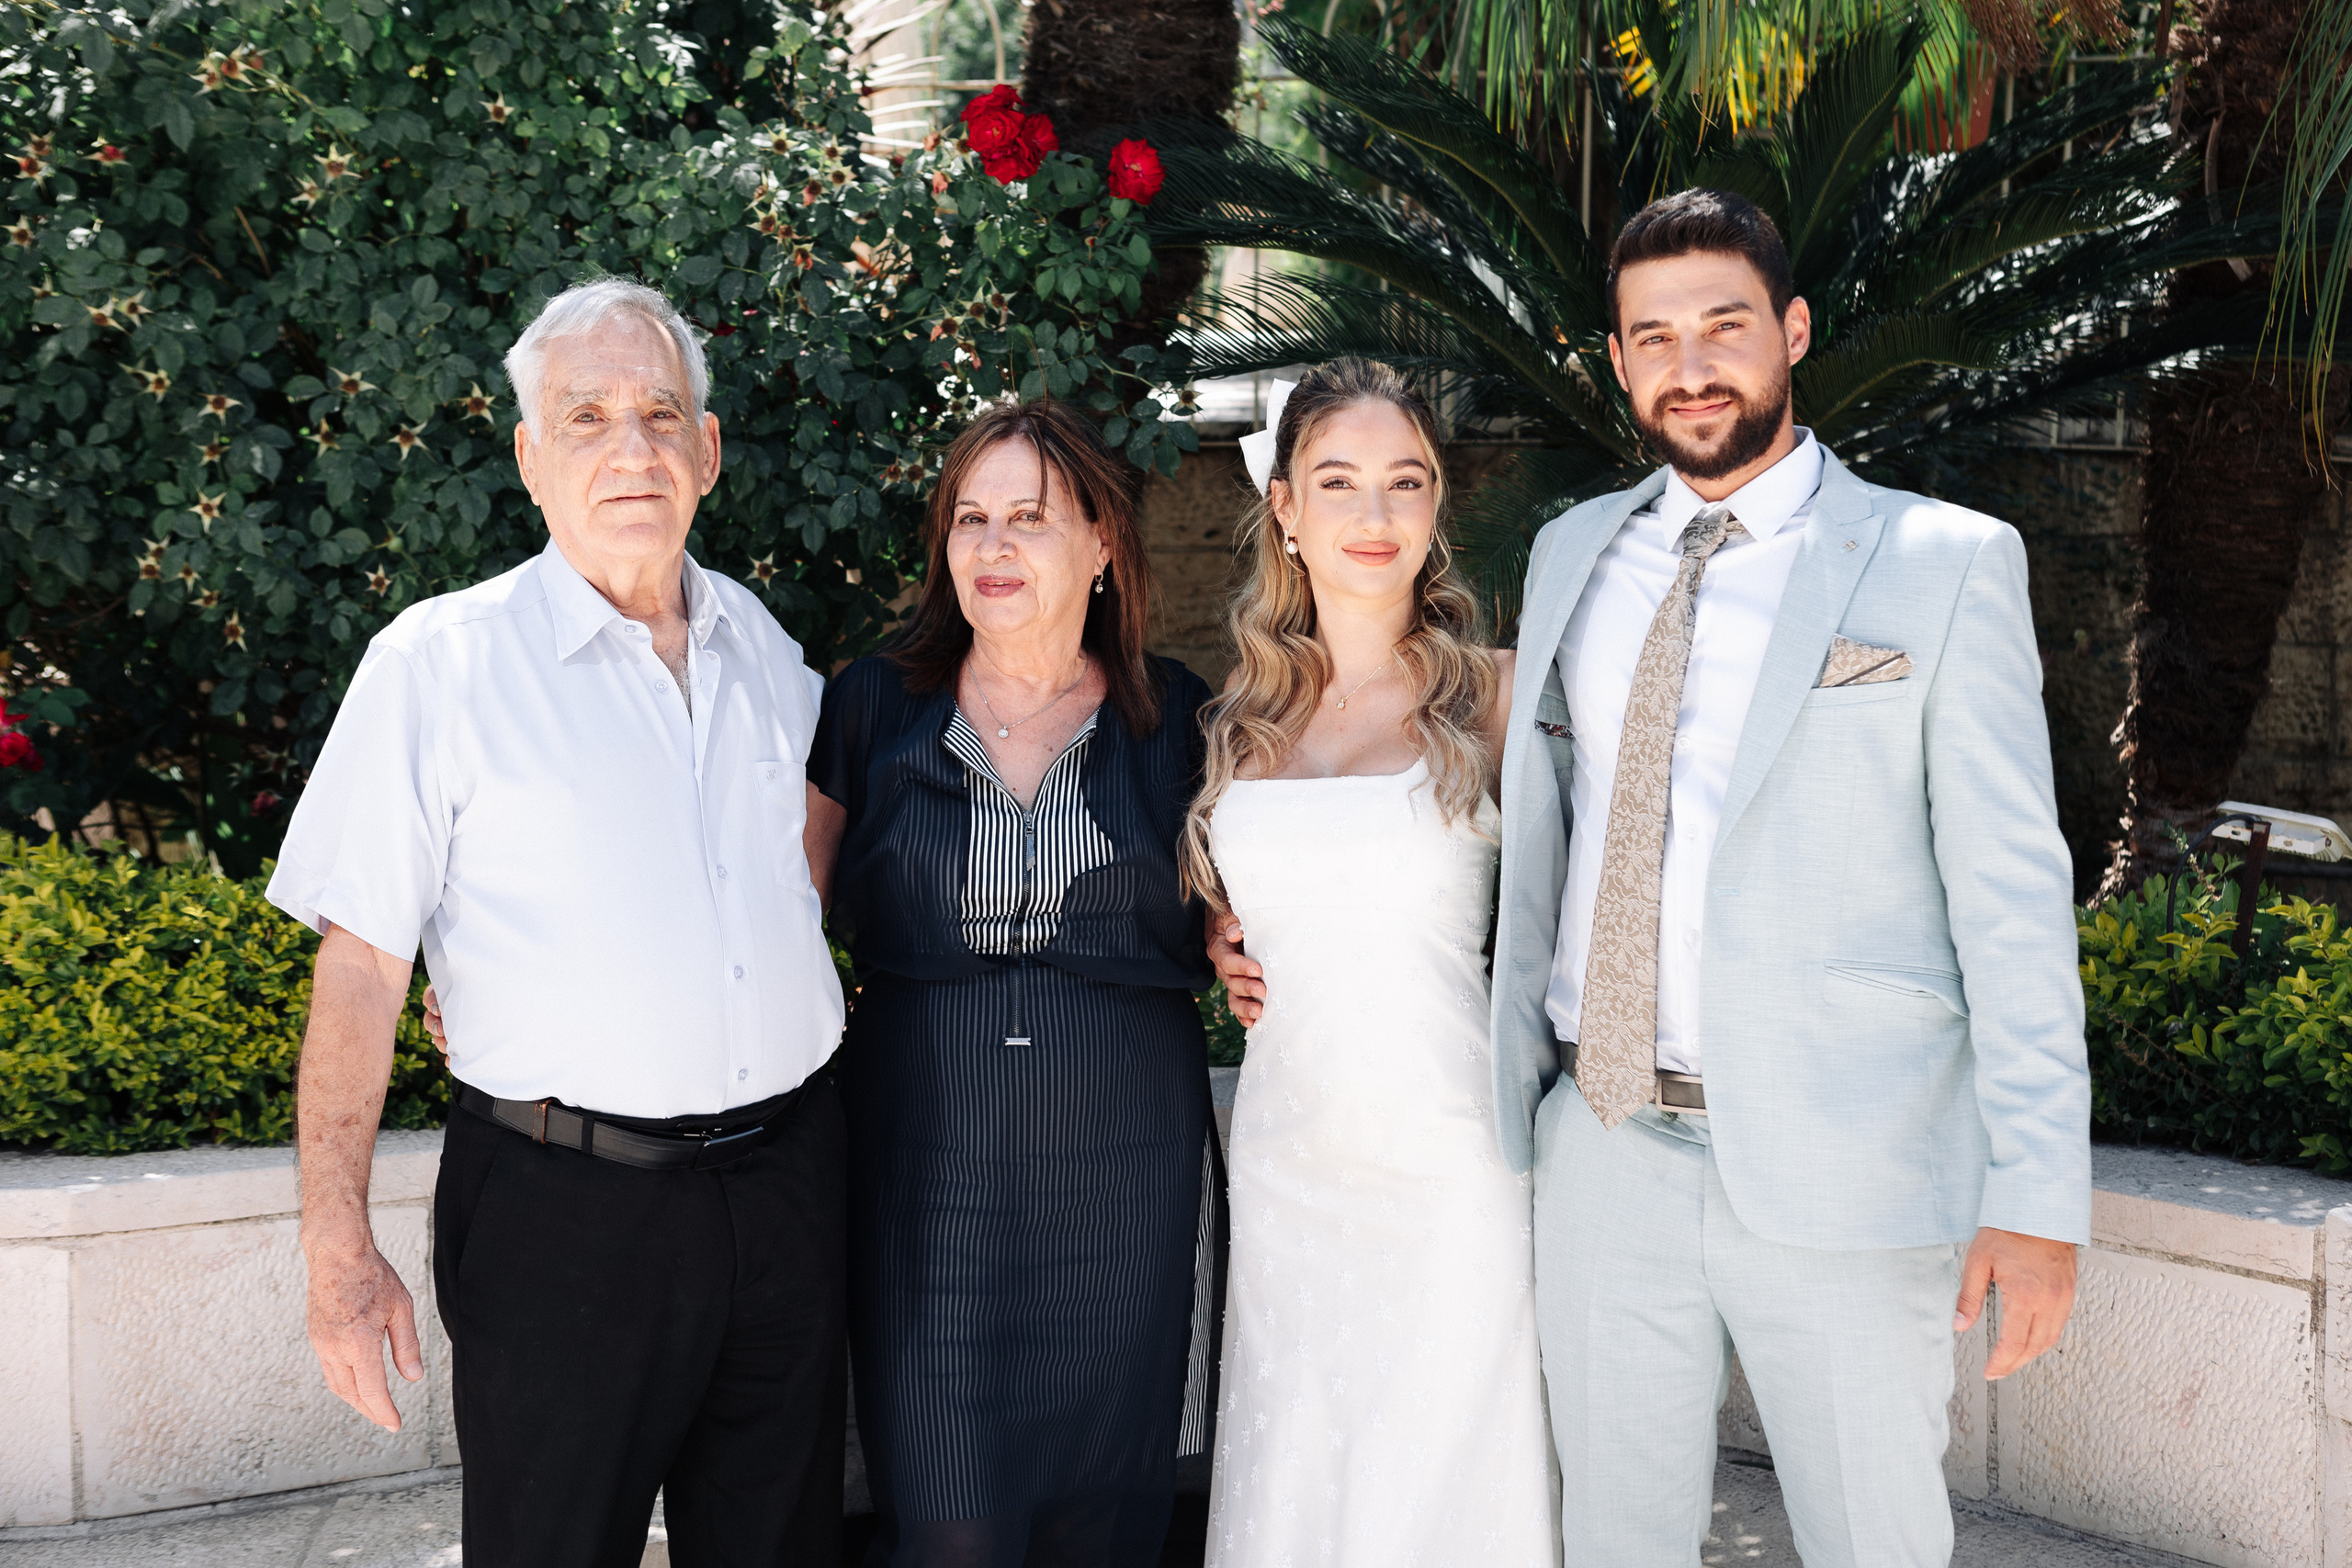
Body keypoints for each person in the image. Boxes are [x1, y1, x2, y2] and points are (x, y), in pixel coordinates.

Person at [1216, 191, 2089, 1566]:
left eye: (1725, 326)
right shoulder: (1575, 556)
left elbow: (2014, 897)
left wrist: (2039, 1189)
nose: (1692, 365)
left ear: (1792, 332)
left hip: (1845, 1158)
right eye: (1655, 337)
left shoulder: (1943, 563)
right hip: (1605, 1147)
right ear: (1618, 363)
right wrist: (1245, 928)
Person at [271, 276, 849, 1568]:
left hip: (786, 1187)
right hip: (563, 1210)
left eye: (660, 412)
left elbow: (797, 865)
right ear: (532, 458)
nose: (630, 446)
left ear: (707, 450)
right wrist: (337, 1243)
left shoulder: (764, 646)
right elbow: (363, 967)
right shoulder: (438, 662)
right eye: (585, 416)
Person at [804, 400, 1216, 1568]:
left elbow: (1262, 907)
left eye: (1028, 519)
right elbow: (763, 911)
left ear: (1101, 546)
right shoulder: (872, 706)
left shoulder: (1178, 715)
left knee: (1105, 1508)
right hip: (925, 1160)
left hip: (1125, 1164)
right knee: (945, 1517)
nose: (991, 547)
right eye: (969, 518)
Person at [1184, 357, 1555, 1565]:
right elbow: (1267, 902)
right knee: (1300, 1474)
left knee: (1440, 1493)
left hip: (1455, 1169)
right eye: (1338, 481)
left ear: (1438, 504)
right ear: (1284, 505)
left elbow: (1600, 903)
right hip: (1291, 1166)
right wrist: (1215, 934)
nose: (1375, 514)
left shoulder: (1494, 700)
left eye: (1407, 481)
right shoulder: (1237, 723)